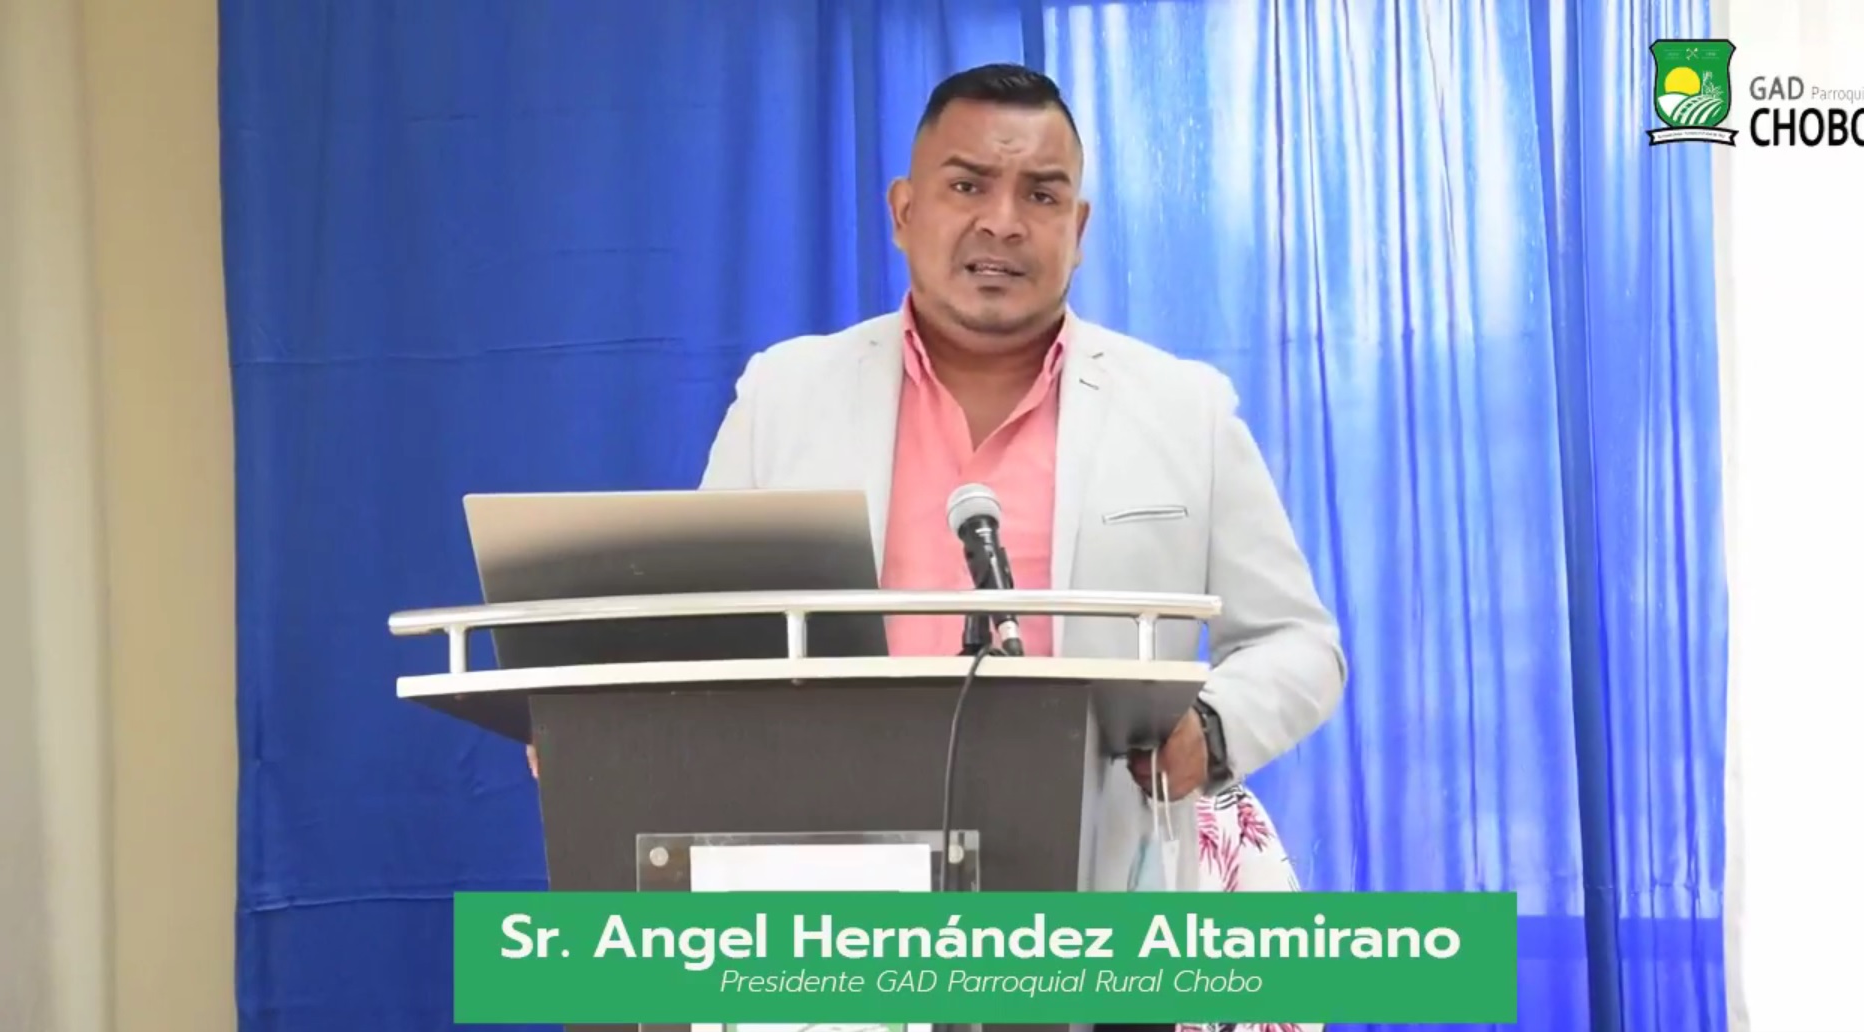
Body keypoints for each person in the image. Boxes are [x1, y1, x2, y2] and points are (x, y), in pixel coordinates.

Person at [531, 61, 1341, 1032]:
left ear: (1078, 229)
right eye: (967, 185)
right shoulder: (784, 396)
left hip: (1097, 912)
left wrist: (1208, 731)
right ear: (903, 210)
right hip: (829, 917)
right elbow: (698, 636)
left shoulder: (1182, 409)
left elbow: (1298, 643)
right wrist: (603, 725)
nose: (1003, 222)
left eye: (1041, 195)